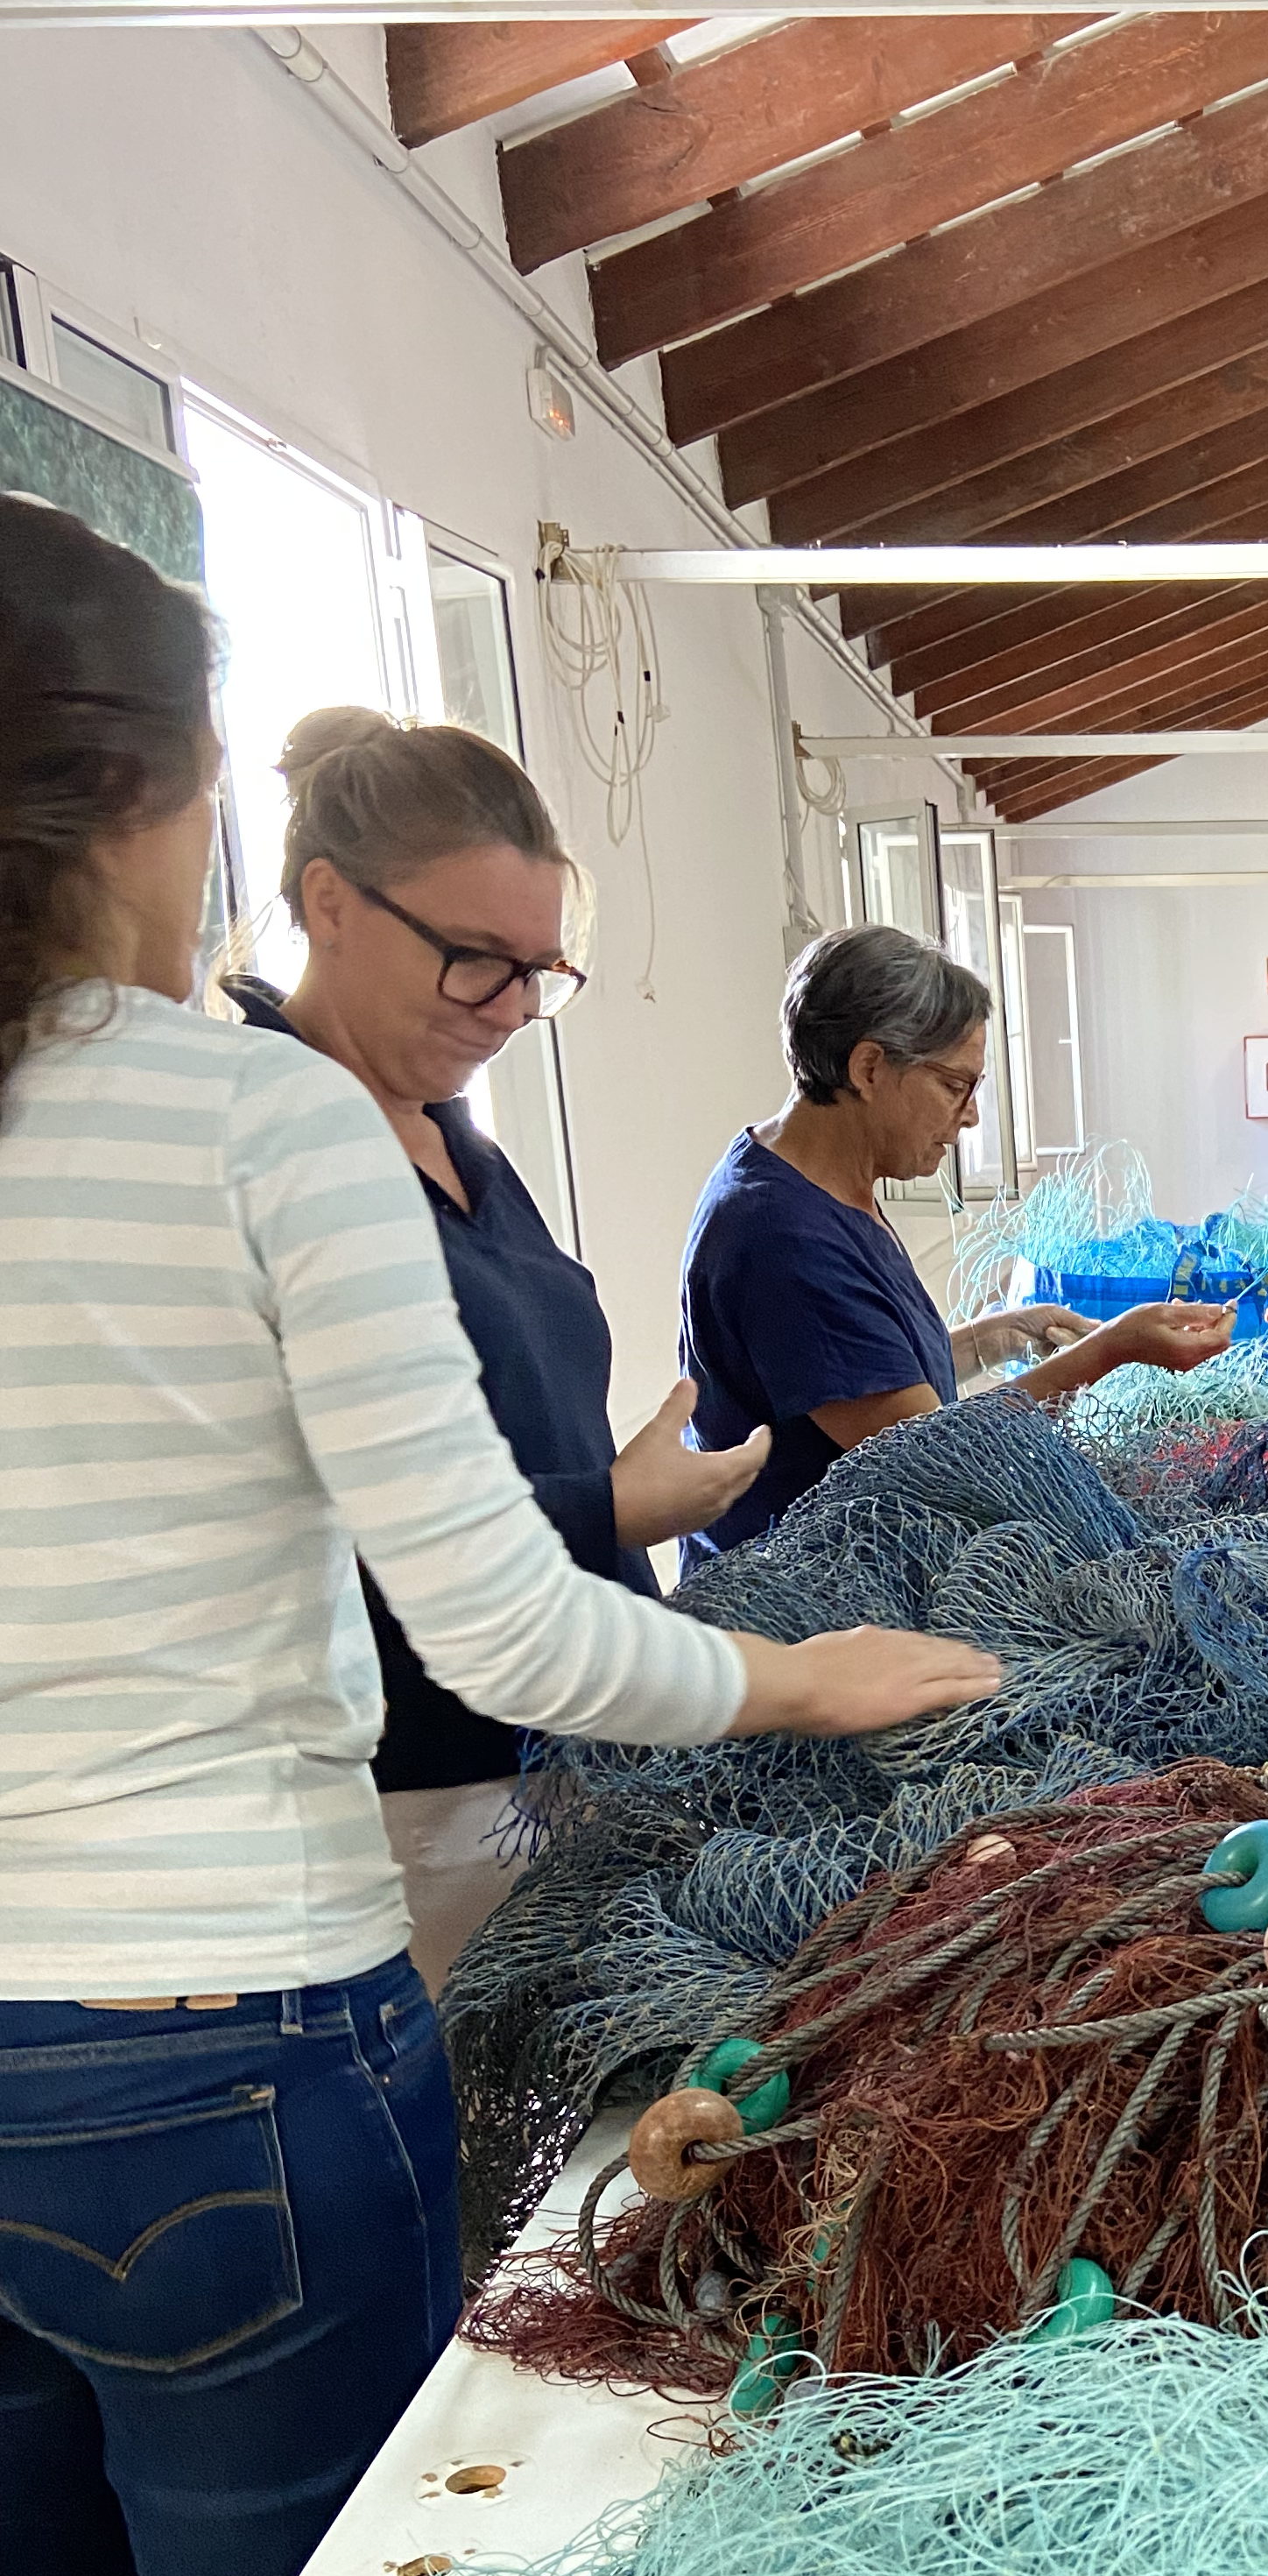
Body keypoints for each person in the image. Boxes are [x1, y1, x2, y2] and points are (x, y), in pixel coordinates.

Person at [0, 498, 998, 2576]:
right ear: (177, 811)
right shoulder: (251, 1120)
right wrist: (799, 1678)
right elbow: (504, 1630)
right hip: (217, 2025)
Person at [222, 707, 765, 1994]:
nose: (513, 1008)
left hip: (549, 1738)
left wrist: (608, 1485)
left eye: (541, 972)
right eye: (475, 960)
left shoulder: (455, 1140)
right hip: (400, 1786)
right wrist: (608, 1504)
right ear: (331, 902)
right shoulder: (258, 1145)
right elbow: (300, 1525)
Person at [680, 924, 1233, 1564]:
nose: (970, 1115)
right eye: (955, 1086)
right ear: (869, 1068)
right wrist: (1115, 1349)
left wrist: (998, 1335)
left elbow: (864, 1372)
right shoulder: (784, 1239)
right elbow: (939, 1456)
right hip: (797, 1608)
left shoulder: (808, 1176)